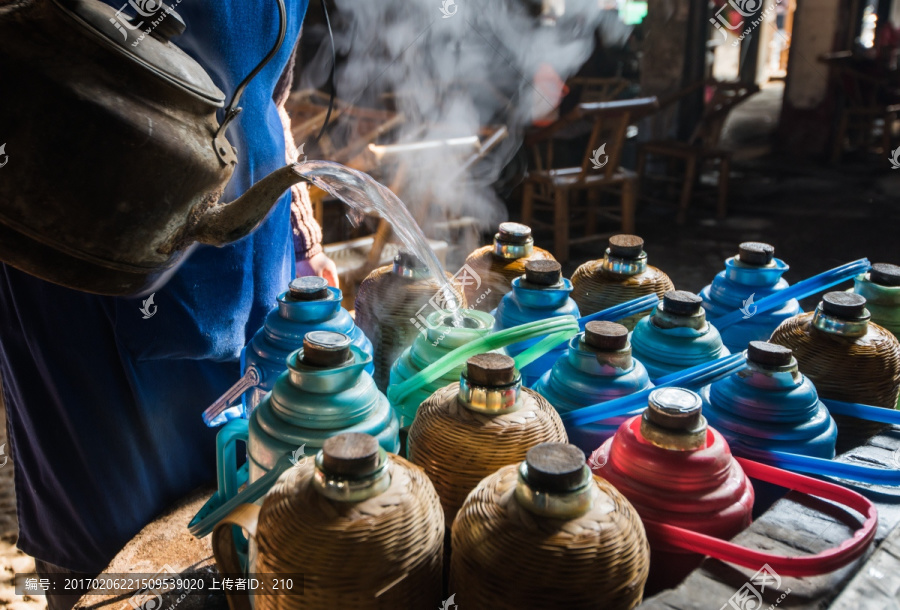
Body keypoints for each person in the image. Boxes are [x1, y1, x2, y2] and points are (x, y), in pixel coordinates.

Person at [0, 1, 334, 607]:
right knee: (115, 561)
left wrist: (294, 209)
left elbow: (266, 89)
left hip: (250, 262)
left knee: (247, 518)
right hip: (90, 256)